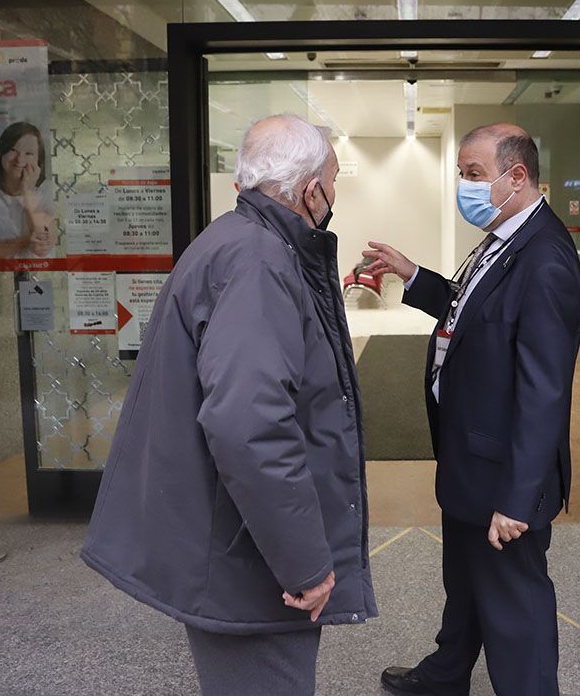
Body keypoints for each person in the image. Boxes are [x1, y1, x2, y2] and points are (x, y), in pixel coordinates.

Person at [81, 114, 376, 696]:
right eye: (334, 180)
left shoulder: (232, 240)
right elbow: (249, 423)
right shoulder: (260, 262)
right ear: (309, 189)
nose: (334, 194)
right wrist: (305, 564)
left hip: (230, 537)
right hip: (248, 557)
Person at [367, 123, 580, 696]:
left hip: (503, 476)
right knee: (463, 582)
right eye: (461, 174)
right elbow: (472, 315)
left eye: (473, 175)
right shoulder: (503, 238)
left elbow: (544, 392)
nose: (464, 187)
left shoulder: (546, 259)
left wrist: (516, 499)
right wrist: (414, 277)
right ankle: (446, 674)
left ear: (517, 176)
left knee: (515, 606)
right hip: (471, 454)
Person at [0, 121, 55, 258]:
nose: (19, 159)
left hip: (39, 275)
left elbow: (42, 247)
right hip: (0, 277)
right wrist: (25, 241)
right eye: (13, 150)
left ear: (39, 160)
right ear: (2, 153)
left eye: (29, 153)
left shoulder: (48, 191)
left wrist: (28, 191)